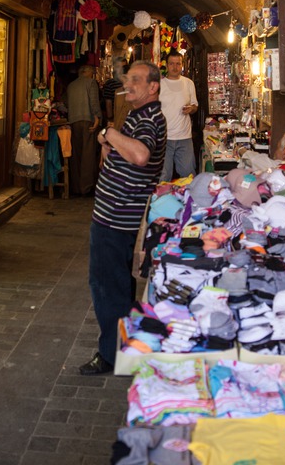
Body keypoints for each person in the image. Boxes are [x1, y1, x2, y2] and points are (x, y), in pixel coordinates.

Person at [79, 60, 167, 375]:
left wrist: (108, 133)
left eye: (136, 80)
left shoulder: (149, 118)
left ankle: (112, 356)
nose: (128, 84)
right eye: (127, 78)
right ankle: (127, 346)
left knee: (107, 286)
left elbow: (141, 154)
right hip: (117, 214)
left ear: (153, 87)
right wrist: (111, 144)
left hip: (116, 219)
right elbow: (129, 152)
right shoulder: (139, 115)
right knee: (118, 286)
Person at [158, 51, 199, 182]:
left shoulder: (188, 83)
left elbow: (195, 106)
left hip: (184, 138)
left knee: (188, 176)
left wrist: (191, 108)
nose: (175, 67)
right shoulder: (159, 85)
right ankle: (161, 202)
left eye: (178, 64)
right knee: (163, 177)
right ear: (166, 65)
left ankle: (187, 201)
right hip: (164, 138)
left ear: (182, 65)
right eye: (171, 64)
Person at [63, 64, 103, 196]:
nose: (93, 75)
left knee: (76, 154)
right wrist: (97, 117)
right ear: (88, 72)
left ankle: (75, 186)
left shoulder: (71, 86)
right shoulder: (91, 83)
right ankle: (85, 187)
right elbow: (94, 101)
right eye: (92, 73)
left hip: (73, 121)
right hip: (87, 121)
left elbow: (66, 104)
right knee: (88, 154)